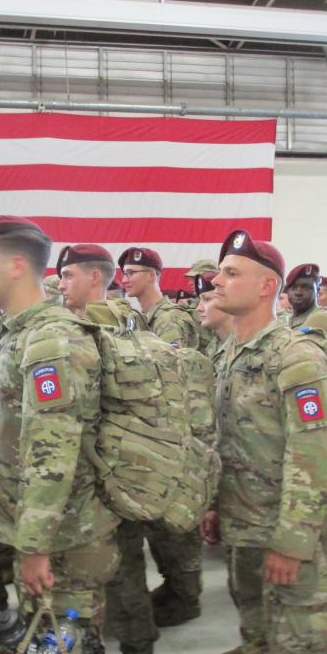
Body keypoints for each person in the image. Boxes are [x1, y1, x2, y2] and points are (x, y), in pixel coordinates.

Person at [0, 216, 120, 654]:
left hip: (64, 540)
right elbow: (2, 427)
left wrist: (34, 546)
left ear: (17, 265)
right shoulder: (15, 333)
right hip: (40, 533)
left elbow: (55, 450)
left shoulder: (51, 339)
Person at [202, 229, 327, 654]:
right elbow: (226, 442)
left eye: (231, 273)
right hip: (245, 530)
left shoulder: (296, 357)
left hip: (289, 539)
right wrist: (213, 507)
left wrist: (291, 542)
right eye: (220, 272)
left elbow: (313, 457)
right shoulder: (229, 353)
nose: (217, 281)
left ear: (267, 287)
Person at [57, 243, 166, 654]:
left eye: (69, 276)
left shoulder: (117, 321)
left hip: (117, 473)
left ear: (95, 279)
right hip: (91, 473)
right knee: (100, 576)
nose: (61, 284)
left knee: (124, 573)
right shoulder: (79, 325)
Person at [118, 246, 203, 628]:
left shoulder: (169, 320)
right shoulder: (139, 317)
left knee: (174, 527)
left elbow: (170, 375)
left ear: (154, 275)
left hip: (175, 429)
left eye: (133, 271)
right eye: (123, 271)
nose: (125, 277)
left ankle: (186, 596)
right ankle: (174, 588)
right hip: (153, 430)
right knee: (158, 524)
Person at [284, 263, 327, 346]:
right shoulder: (282, 320)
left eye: (306, 288)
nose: (298, 292)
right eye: (294, 287)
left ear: (317, 291)